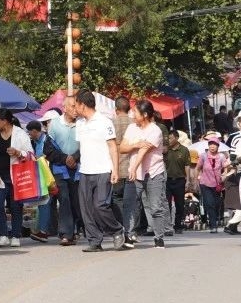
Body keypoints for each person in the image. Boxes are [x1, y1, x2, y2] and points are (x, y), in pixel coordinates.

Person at [74, 92, 123, 252]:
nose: (75, 108)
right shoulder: (80, 124)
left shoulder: (104, 121)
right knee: (86, 208)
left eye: (76, 105)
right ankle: (94, 240)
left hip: (103, 169)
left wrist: (115, 169)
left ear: (83, 105)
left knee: (101, 205)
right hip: (85, 171)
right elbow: (81, 148)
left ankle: (117, 231)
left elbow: (112, 147)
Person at [119, 99, 167, 247]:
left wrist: (133, 167)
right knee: (130, 204)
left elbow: (143, 152)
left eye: (135, 111)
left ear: (145, 114)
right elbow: (122, 148)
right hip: (135, 174)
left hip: (153, 173)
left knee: (155, 207)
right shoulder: (132, 128)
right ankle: (129, 235)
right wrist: (136, 144)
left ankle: (159, 237)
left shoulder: (155, 130)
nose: (132, 114)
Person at [0, 108, 34, 247]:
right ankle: (3, 234)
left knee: (16, 206)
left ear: (5, 121)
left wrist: (18, 153)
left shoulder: (20, 134)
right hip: (0, 177)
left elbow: (31, 154)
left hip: (17, 177)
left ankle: (15, 235)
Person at [47, 99, 84, 245]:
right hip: (59, 168)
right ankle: (66, 233)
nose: (76, 109)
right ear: (65, 108)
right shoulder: (55, 124)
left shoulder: (82, 123)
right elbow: (49, 148)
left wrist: (75, 157)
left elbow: (86, 145)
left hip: (77, 169)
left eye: (77, 106)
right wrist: (65, 158)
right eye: (73, 106)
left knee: (76, 201)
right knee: (64, 199)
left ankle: (74, 230)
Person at [26, 120, 66, 242]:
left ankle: (69, 230)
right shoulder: (33, 143)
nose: (29, 135)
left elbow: (57, 155)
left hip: (55, 175)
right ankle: (45, 231)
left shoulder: (48, 140)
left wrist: (44, 157)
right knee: (45, 203)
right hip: (43, 176)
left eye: (30, 132)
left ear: (34, 131)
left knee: (63, 202)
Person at [195, 138, 227, 232]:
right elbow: (198, 168)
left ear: (218, 146)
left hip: (217, 184)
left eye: (214, 145)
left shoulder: (221, 156)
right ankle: (213, 226)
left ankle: (216, 219)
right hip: (205, 183)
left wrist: (224, 175)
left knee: (217, 204)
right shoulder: (203, 156)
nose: (212, 146)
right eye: (210, 144)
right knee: (210, 203)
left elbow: (225, 168)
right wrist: (197, 178)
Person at [164, 130, 190, 236]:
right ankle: (168, 227)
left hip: (179, 180)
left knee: (180, 204)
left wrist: (188, 180)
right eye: (168, 138)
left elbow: (187, 165)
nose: (169, 140)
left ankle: (178, 225)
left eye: (170, 138)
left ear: (176, 138)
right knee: (167, 205)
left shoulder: (184, 150)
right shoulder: (166, 150)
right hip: (167, 181)